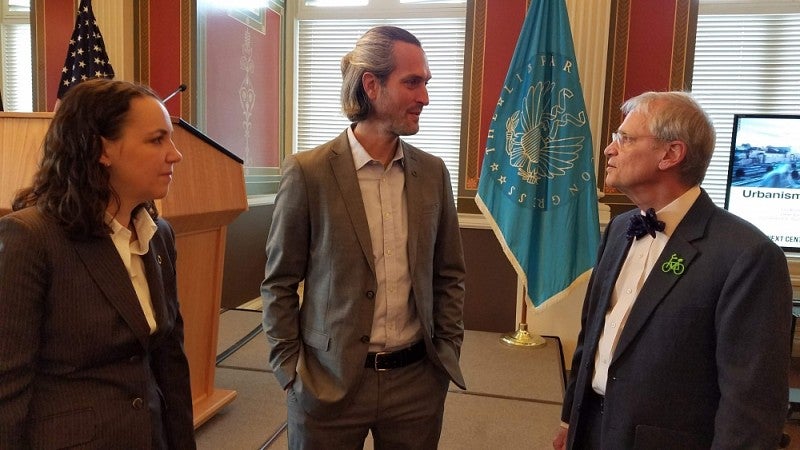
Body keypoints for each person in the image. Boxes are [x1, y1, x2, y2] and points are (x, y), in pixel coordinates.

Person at [261, 25, 466, 449]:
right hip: (327, 383)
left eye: (426, 82)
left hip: (416, 385)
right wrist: (290, 370)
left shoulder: (433, 173)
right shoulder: (309, 172)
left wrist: (445, 353)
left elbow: (449, 275)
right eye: (412, 82)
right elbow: (279, 283)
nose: (424, 97)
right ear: (371, 85)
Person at [553, 91, 792, 449]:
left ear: (670, 154)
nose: (609, 149)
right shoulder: (620, 228)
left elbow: (752, 402)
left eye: (626, 138)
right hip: (592, 432)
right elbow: (592, 336)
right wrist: (570, 418)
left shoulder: (747, 256)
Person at [0, 78, 195, 449]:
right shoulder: (31, 238)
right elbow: (7, 383)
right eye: (157, 140)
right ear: (102, 149)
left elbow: (169, 362)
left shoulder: (159, 235)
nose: (175, 154)